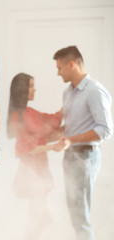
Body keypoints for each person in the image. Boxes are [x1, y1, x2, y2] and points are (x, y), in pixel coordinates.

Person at [53, 46, 113, 240]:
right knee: (74, 213)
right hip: (70, 156)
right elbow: (72, 126)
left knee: (80, 215)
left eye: (60, 68)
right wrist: (50, 135)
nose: (58, 72)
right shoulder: (67, 93)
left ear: (72, 64)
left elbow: (105, 130)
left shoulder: (95, 91)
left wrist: (71, 139)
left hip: (86, 157)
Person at [7, 72, 62, 239]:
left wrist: (68, 105)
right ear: (22, 90)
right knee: (45, 217)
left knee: (36, 217)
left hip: (39, 171)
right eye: (31, 86)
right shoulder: (18, 116)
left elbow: (52, 121)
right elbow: (28, 149)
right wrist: (53, 146)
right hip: (31, 174)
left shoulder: (29, 112)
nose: (35, 90)